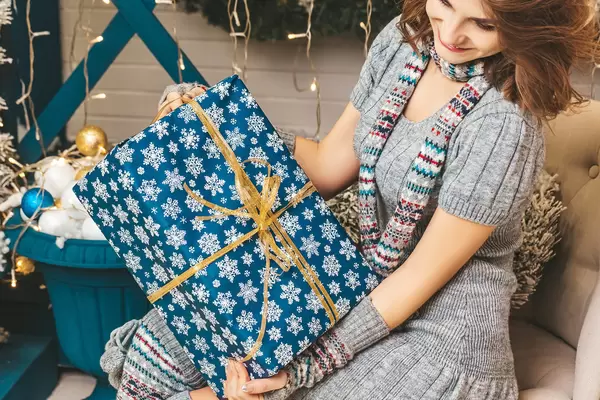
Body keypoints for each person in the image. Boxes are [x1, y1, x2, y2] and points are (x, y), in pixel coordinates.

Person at [101, 0, 600, 399]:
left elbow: (414, 281)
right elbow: (323, 166)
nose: (450, 33)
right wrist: (215, 126)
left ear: (525, 27)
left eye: (483, 24)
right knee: (157, 353)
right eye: (444, 3)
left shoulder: (505, 125)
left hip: (438, 341)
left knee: (236, 393)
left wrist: (305, 365)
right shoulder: (404, 47)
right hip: (351, 288)